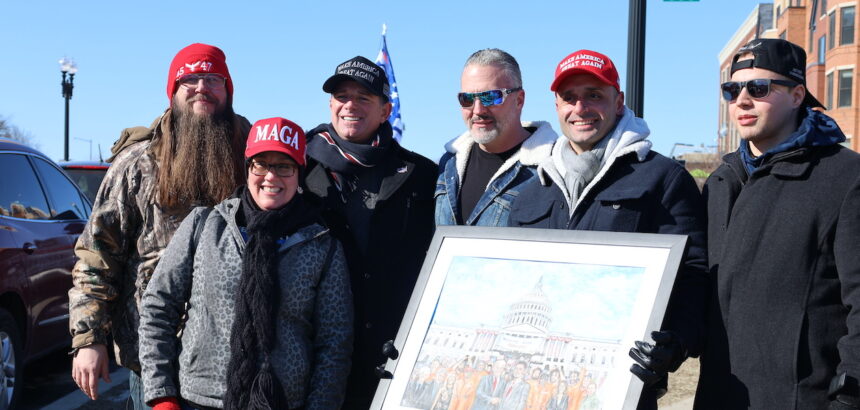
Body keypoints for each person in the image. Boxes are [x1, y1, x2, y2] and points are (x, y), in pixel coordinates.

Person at [508, 49, 708, 409]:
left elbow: (693, 273)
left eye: (594, 95)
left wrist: (674, 343)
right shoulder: (531, 192)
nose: (580, 108)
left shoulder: (662, 178)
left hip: (622, 388)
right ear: (556, 107)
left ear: (619, 102)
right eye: (569, 98)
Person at [68, 43, 251, 409]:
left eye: (213, 79)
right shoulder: (137, 163)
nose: (202, 87)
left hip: (233, 358)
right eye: (191, 79)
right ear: (173, 91)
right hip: (154, 359)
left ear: (228, 90)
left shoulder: (253, 158)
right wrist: (90, 340)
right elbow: (97, 255)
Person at [139, 117, 353, 410]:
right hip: (198, 400)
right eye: (261, 164)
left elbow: (334, 344)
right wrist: (162, 394)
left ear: (299, 173)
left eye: (284, 166)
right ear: (248, 167)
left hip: (280, 402)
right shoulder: (206, 226)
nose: (270, 176)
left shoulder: (321, 244)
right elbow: (157, 306)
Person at [694, 38, 860, 409]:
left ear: (798, 94)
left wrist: (849, 400)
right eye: (732, 89)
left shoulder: (846, 177)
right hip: (720, 396)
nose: (742, 100)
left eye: (759, 87)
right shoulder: (721, 182)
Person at [302, 56, 437, 408]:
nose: (350, 105)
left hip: (389, 359)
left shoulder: (422, 175)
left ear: (385, 110)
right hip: (311, 356)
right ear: (330, 105)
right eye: (342, 96)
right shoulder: (296, 169)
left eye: (364, 98)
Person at [435, 48, 557, 227]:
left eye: (491, 97)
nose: (478, 110)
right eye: (467, 99)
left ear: (519, 100)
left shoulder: (553, 168)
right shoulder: (446, 166)